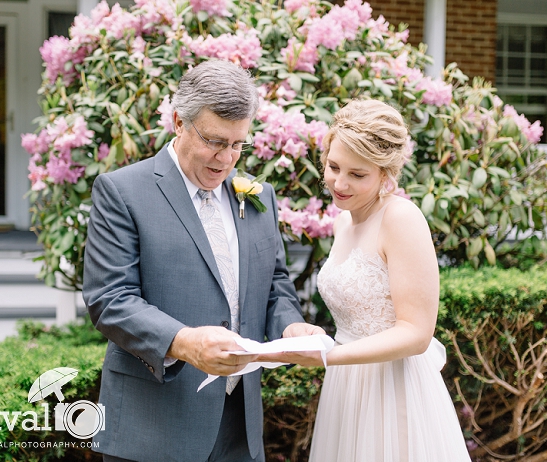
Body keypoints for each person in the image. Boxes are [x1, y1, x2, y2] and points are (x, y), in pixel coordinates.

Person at [83, 59, 322, 461]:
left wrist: (291, 325)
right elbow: (111, 299)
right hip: (154, 426)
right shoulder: (122, 191)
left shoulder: (258, 196)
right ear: (179, 121)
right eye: (214, 141)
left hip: (239, 427)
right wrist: (186, 343)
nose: (226, 159)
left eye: (237, 144)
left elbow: (274, 284)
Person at [265, 100, 470, 461]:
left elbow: (416, 333)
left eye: (357, 175)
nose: (339, 183)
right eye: (333, 167)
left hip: (393, 389)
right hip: (345, 387)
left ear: (385, 173)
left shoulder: (401, 219)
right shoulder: (344, 220)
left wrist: (332, 357)